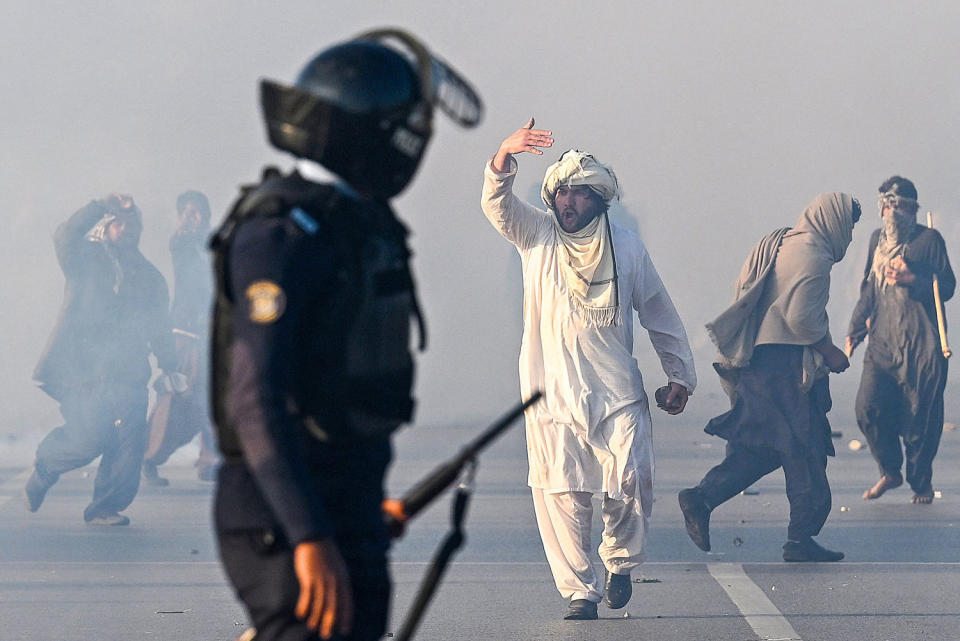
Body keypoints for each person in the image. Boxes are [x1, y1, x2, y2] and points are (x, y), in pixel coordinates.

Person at [211, 29, 482, 641]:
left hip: (346, 501)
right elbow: (255, 400)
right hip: (281, 517)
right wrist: (308, 533)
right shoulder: (282, 235)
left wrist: (359, 513)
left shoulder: (354, 226)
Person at [480, 120, 697, 620]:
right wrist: (503, 156)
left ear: (600, 200)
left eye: (579, 195)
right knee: (562, 493)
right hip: (550, 392)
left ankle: (619, 561)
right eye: (561, 194)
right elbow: (497, 206)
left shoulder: (627, 247)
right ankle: (580, 591)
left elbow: (658, 311)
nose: (568, 203)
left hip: (616, 389)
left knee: (631, 478)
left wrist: (679, 375)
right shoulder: (535, 235)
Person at [678, 193, 861, 562]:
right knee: (804, 449)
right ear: (835, 220)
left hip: (758, 364)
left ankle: (703, 498)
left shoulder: (782, 241)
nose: (851, 235)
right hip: (784, 369)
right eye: (851, 226)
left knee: (762, 448)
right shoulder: (814, 257)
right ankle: (799, 538)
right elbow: (802, 320)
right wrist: (830, 352)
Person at [25, 193, 180, 526]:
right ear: (106, 226)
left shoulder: (150, 278)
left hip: (130, 372)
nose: (125, 230)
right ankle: (47, 465)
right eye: (118, 223)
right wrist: (99, 205)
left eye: (132, 225)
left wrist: (170, 365)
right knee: (89, 439)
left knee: (129, 442)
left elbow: (160, 326)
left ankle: (105, 507)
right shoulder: (84, 258)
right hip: (84, 372)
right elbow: (64, 235)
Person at [846, 176, 954, 505]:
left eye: (898, 204)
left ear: (912, 209)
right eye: (886, 204)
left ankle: (921, 483)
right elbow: (869, 290)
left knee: (921, 417)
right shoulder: (877, 240)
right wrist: (854, 329)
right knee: (868, 408)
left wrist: (913, 278)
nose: (891, 211)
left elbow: (947, 287)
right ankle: (890, 470)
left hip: (923, 346)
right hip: (882, 344)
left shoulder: (929, 240)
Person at [142, 190, 220, 486]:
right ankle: (145, 457)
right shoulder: (182, 243)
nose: (192, 216)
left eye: (197, 210)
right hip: (186, 336)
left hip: (211, 334)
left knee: (211, 399)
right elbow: (181, 245)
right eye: (186, 211)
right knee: (173, 398)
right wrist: (185, 229)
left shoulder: (215, 243)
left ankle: (211, 460)